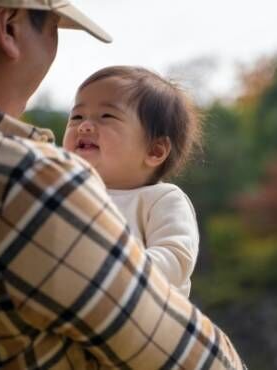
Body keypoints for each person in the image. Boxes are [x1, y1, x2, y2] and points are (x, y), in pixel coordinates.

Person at [0, 0, 245, 369]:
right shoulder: (29, 182)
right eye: (51, 27)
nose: (83, 124)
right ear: (9, 26)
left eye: (107, 116)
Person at [63, 66, 201, 298]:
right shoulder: (64, 192)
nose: (84, 126)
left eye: (106, 116)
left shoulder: (162, 199)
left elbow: (177, 258)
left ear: (155, 150)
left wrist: (114, 266)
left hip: (144, 320)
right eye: (77, 116)